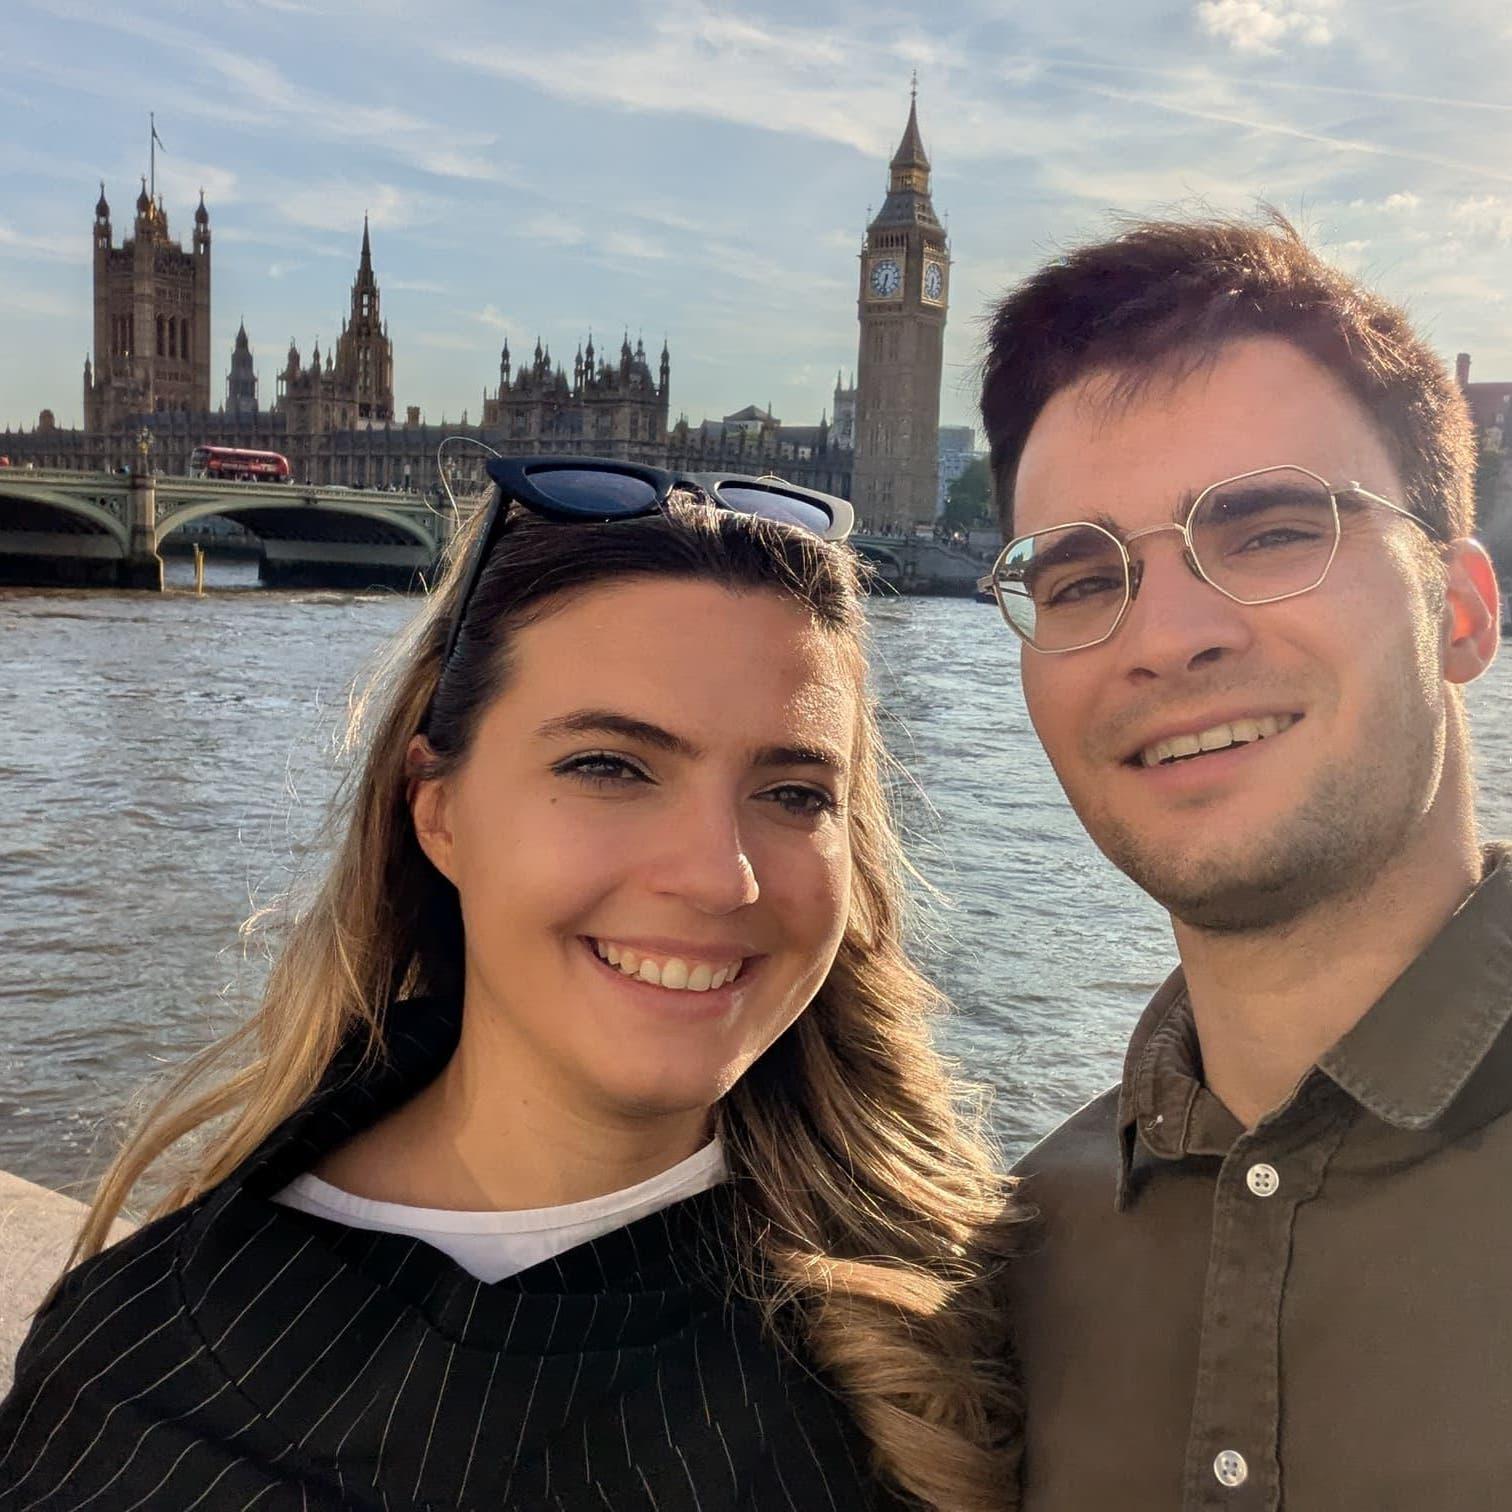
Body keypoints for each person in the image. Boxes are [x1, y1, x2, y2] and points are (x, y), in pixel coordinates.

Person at [0, 458, 1017, 1510]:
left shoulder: (983, 1288)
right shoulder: (143, 1373)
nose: (721, 876)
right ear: (435, 811)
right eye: (609, 766)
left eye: (795, 790)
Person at [976, 215, 1504, 1509]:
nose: (1167, 638)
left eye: (1271, 531)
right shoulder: (1009, 1265)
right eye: (1083, 579)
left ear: (1460, 612)